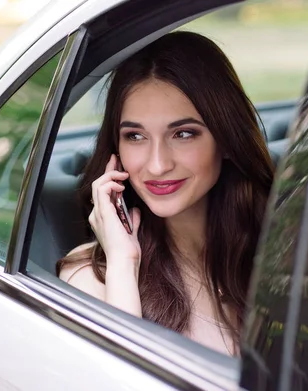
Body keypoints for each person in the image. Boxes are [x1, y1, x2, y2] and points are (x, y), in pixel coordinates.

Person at [57, 31, 274, 356]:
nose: (157, 165)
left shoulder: (279, 247)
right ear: (115, 149)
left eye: (183, 133)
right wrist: (123, 264)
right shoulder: (91, 275)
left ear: (227, 140)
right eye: (135, 136)